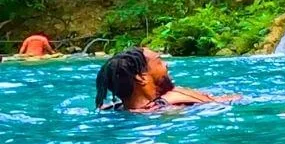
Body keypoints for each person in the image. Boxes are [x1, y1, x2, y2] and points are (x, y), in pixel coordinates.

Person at [95, 47, 232, 112]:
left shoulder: (113, 109)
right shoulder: (171, 108)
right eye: (159, 61)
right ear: (141, 77)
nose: (166, 64)